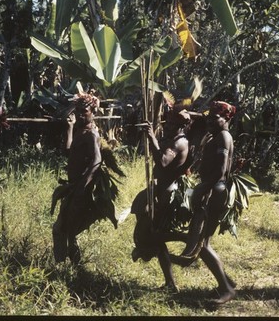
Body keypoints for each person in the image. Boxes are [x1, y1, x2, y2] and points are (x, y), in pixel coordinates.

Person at [172, 100, 237, 304]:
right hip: (212, 188)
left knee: (202, 243)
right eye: (208, 118)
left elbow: (220, 170)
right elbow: (202, 118)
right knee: (203, 242)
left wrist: (202, 188)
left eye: (214, 118)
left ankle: (226, 289)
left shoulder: (224, 137)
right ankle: (226, 283)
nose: (210, 121)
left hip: (214, 190)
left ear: (226, 118)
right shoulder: (217, 135)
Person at [52, 93, 118, 265]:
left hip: (82, 187)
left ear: (93, 112)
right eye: (79, 111)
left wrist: (83, 185)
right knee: (67, 230)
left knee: (62, 229)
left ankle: (63, 266)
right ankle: (73, 266)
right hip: (74, 186)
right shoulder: (80, 130)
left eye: (85, 111)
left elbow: (97, 160)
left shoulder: (92, 134)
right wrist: (69, 129)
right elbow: (67, 152)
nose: (81, 114)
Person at [130, 108, 192, 292]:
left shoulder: (180, 142)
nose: (168, 126)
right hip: (158, 191)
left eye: (173, 124)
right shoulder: (174, 139)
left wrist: (151, 137)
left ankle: (181, 241)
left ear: (181, 126)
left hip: (166, 195)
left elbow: (163, 161)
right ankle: (169, 282)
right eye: (168, 123)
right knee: (155, 235)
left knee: (156, 235)